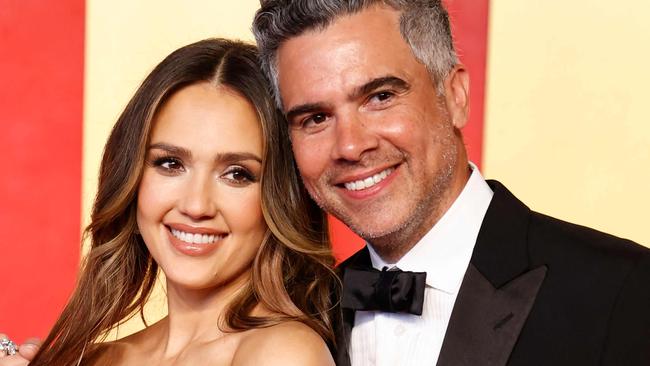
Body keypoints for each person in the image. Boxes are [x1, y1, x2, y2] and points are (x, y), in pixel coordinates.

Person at [251, 1, 650, 365]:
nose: (351, 146)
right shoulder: (298, 316)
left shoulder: (627, 292)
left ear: (455, 95)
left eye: (381, 96)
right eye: (315, 119)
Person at [0, 38, 337, 365]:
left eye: (237, 174)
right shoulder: (95, 358)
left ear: (282, 196)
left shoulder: (284, 353)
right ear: (132, 177)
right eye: (170, 164)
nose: (196, 205)